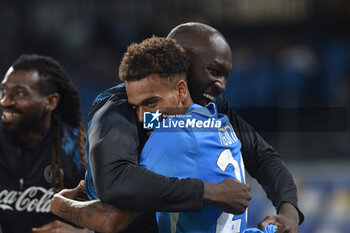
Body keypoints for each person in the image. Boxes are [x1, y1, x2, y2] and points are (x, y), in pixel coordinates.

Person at [52, 22, 303, 233]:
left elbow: (261, 154)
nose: (222, 85)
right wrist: (207, 192)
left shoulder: (209, 107)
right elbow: (115, 183)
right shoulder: (116, 110)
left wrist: (289, 212)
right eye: (214, 71)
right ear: (181, 63)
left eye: (225, 75)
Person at [124, 36, 248, 232]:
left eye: (150, 103)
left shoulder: (171, 133)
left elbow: (112, 217)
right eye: (135, 107)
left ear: (181, 91)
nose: (141, 118)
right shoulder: (220, 124)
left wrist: (61, 206)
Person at [0, 54, 90, 233]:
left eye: (19, 93)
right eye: (3, 91)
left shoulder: (79, 151)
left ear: (51, 102)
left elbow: (121, 222)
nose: (5, 101)